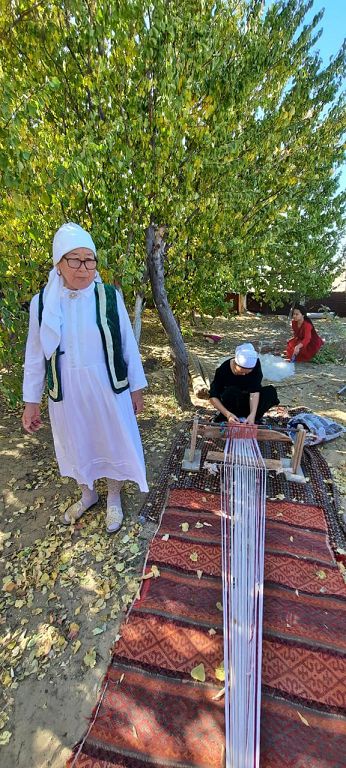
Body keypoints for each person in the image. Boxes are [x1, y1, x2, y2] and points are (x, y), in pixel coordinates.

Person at [22, 222, 148, 534]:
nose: (83, 268)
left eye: (89, 259)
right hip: (67, 392)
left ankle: (114, 497)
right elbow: (35, 355)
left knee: (112, 440)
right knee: (77, 444)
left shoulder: (108, 297)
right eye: (75, 260)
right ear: (59, 264)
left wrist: (137, 387)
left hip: (108, 388)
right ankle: (88, 494)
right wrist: (30, 402)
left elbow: (127, 343)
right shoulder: (42, 304)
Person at [209, 342, 279, 424]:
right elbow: (213, 396)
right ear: (235, 364)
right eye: (241, 372)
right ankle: (229, 418)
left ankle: (252, 419)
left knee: (270, 392)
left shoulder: (256, 365)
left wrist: (253, 414)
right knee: (231, 391)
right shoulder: (223, 370)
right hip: (231, 404)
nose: (244, 375)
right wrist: (228, 414)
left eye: (247, 373)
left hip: (248, 401)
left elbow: (254, 391)